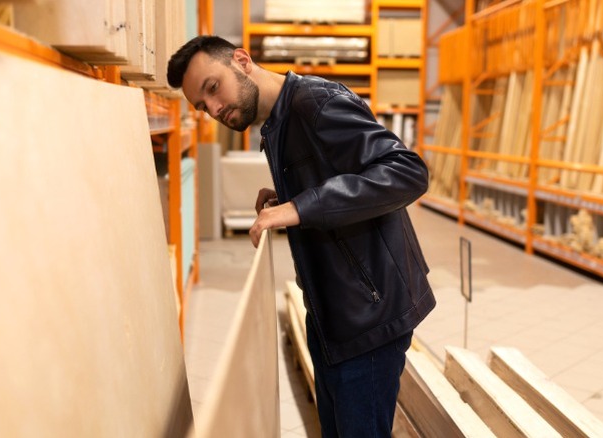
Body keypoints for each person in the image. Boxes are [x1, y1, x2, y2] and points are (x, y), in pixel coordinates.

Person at [168, 35, 436, 437]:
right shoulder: (277, 123)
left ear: (241, 61)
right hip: (332, 314)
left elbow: (406, 171)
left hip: (369, 316)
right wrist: (290, 196)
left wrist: (300, 206)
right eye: (202, 106)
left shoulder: (315, 103)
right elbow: (338, 176)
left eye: (212, 88)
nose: (215, 108)